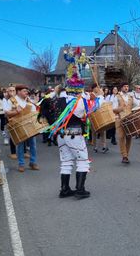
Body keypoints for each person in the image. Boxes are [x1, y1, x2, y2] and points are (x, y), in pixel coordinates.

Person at [49, 57, 96, 199]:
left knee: (66, 161)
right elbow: (89, 111)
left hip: (61, 135)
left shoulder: (57, 99)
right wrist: (97, 98)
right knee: (82, 160)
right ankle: (80, 189)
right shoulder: (78, 101)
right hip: (74, 133)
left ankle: (64, 189)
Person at [3, 85, 39, 172]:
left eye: (27, 91)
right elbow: (7, 113)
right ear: (18, 92)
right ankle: (21, 164)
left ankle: (33, 162)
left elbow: (34, 112)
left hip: (29, 125)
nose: (26, 92)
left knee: (33, 145)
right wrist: (16, 112)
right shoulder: (12, 101)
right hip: (18, 126)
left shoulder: (29, 101)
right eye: (24, 91)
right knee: (20, 145)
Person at [112, 82, 140, 164]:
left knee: (129, 137)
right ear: (121, 88)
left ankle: (126, 155)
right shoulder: (117, 96)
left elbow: (137, 104)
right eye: (124, 86)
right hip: (119, 119)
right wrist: (121, 108)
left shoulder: (131, 97)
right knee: (121, 137)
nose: (126, 88)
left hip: (129, 119)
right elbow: (114, 109)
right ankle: (124, 156)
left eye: (127, 86)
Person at [90, 83, 108, 153]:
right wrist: (100, 96)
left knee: (103, 130)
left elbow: (103, 103)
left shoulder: (101, 95)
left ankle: (104, 146)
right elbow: (94, 105)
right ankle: (95, 146)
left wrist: (102, 96)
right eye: (97, 87)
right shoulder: (91, 95)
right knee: (94, 132)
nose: (98, 88)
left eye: (99, 87)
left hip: (101, 115)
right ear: (94, 88)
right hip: (94, 115)